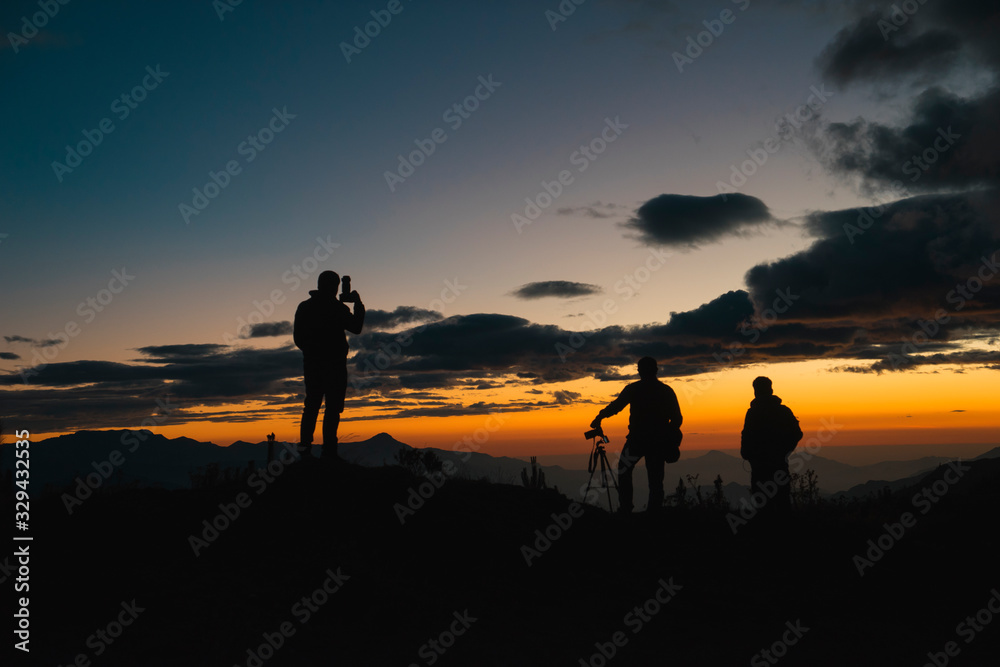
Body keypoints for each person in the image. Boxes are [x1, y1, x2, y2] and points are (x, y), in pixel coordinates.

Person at [590, 357, 682, 513]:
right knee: (655, 479)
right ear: (656, 370)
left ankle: (626, 508)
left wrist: (600, 417)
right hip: (656, 442)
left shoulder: (634, 389)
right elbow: (677, 419)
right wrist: (668, 436)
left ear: (641, 371)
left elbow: (616, 407)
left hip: (637, 440)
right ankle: (654, 511)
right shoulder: (666, 391)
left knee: (624, 470)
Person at [293, 271, 365, 460]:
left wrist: (312, 352)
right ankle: (329, 452)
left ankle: (305, 451)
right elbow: (356, 327)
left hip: (313, 365)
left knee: (312, 406)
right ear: (335, 287)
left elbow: (298, 338)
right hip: (334, 365)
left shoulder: (305, 307)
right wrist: (357, 303)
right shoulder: (336, 309)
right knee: (332, 408)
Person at [740, 376, 803, 517]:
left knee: (763, 507)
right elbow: (797, 433)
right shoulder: (784, 411)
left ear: (755, 391)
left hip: (759, 467)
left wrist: (749, 455)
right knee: (782, 504)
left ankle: (766, 535)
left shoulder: (753, 413)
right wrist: (785, 450)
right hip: (779, 465)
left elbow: (746, 436)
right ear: (771, 389)